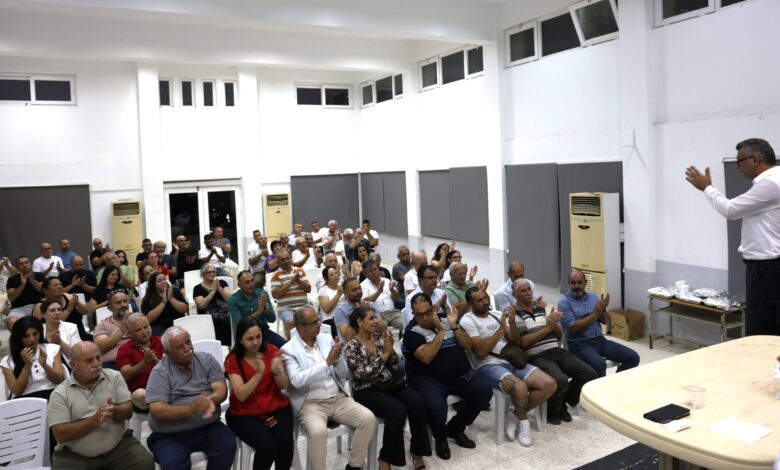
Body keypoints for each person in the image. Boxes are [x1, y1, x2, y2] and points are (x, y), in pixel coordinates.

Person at [685, 138, 780, 335]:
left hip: (767, 268)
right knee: (769, 324)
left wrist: (707, 188)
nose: (737, 167)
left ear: (756, 159)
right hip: (768, 266)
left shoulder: (771, 184)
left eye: (740, 161)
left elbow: (731, 209)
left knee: (761, 328)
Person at [281, 306, 375, 470]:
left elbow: (343, 374)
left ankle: (354, 466)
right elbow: (297, 380)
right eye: (314, 322)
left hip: (337, 398)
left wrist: (338, 360)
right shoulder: (289, 350)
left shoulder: (325, 339)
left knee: (368, 419)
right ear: (301, 327)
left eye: (318, 320)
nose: (319, 324)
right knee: (318, 432)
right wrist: (327, 363)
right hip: (310, 404)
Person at [460, 286, 556, 447]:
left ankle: (515, 414)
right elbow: (480, 352)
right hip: (487, 365)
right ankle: (524, 423)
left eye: (485, 297)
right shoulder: (468, 320)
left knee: (549, 384)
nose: (485, 302)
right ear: (470, 304)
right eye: (480, 300)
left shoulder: (496, 314)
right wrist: (500, 330)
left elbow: (515, 342)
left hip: (511, 360)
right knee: (519, 387)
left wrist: (511, 323)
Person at [401, 293, 492, 460]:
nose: (425, 318)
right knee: (437, 407)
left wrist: (454, 326)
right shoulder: (411, 332)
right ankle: (440, 437)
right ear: (413, 314)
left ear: (433, 309)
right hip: (428, 379)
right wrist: (442, 331)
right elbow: (426, 357)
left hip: (458, 375)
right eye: (419, 315)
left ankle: (455, 428)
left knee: (484, 391)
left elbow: (467, 344)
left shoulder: (447, 319)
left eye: (428, 312)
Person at [345, 305, 430, 470]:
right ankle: (385, 459)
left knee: (417, 401)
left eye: (376, 317)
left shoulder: (379, 338)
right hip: (366, 389)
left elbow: (395, 364)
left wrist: (390, 351)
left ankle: (417, 452)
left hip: (388, 385)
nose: (376, 321)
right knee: (397, 411)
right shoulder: (351, 346)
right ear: (360, 322)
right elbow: (361, 375)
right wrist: (384, 355)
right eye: (371, 318)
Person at [48, 341, 155, 470]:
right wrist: (93, 421)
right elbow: (60, 434)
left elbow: (128, 410)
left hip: (118, 448)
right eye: (89, 361)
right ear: (73, 365)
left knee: (144, 462)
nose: (96, 364)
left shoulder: (114, 376)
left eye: (98, 358)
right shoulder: (60, 394)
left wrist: (115, 410)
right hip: (75, 456)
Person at [145, 326, 236, 470]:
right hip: (169, 435)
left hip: (207, 427)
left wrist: (211, 400)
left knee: (227, 444)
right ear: (167, 353)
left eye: (188, 342)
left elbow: (221, 389)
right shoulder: (160, 372)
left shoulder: (206, 360)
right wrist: (191, 409)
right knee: (172, 463)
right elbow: (157, 410)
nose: (187, 348)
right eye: (180, 347)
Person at [511, 279, 597, 425]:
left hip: (556, 350)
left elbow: (557, 336)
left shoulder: (539, 308)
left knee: (589, 373)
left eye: (529, 289)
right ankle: (552, 412)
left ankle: (563, 402)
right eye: (523, 291)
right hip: (537, 356)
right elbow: (523, 342)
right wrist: (547, 328)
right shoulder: (515, 314)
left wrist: (554, 323)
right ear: (514, 294)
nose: (528, 293)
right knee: (560, 379)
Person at [225, 317, 294, 470]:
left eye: (258, 337)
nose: (255, 342)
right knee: (268, 446)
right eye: (250, 339)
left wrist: (277, 371)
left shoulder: (271, 350)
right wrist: (258, 374)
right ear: (240, 340)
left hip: (275, 407)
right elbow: (241, 395)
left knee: (285, 443)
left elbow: (283, 385)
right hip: (244, 413)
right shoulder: (233, 360)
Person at [559, 269, 640, 377]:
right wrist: (594, 315)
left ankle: (613, 384)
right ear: (569, 284)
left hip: (599, 340)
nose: (576, 286)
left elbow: (605, 321)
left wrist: (603, 309)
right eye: (573, 283)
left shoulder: (593, 297)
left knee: (633, 358)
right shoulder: (564, 303)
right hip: (579, 344)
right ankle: (599, 388)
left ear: (585, 283)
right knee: (599, 365)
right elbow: (573, 328)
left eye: (579, 282)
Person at [1, 315, 65, 399]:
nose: (32, 339)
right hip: (25, 399)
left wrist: (45, 365)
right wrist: (27, 366)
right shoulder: (7, 361)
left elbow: (59, 379)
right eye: (26, 336)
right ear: (19, 338)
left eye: (35, 334)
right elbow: (16, 391)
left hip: (52, 395)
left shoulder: (53, 349)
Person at [117, 313, 163, 410]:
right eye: (138, 330)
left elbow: (173, 367)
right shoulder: (124, 349)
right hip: (141, 390)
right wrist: (145, 362)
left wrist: (156, 362)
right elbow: (126, 375)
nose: (144, 332)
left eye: (146, 327)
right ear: (130, 333)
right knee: (140, 395)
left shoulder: (161, 341)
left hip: (164, 385)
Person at [228, 270, 286, 348]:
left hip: (263, 331)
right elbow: (240, 325)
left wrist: (265, 309)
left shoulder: (262, 294)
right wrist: (258, 312)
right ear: (239, 285)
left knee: (286, 347)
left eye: (252, 281)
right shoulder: (233, 300)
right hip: (247, 336)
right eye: (247, 282)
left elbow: (272, 319)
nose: (251, 284)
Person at [33, 276, 91, 341]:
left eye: (60, 284)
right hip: (54, 338)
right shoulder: (40, 306)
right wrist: (68, 309)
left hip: (79, 334)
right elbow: (38, 328)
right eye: (55, 285)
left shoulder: (69, 296)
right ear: (45, 290)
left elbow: (86, 311)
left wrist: (77, 303)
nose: (59, 287)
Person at [270, 251, 311, 338]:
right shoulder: (276, 275)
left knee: (312, 319)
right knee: (290, 322)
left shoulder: (300, 271)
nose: (286, 261)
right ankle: (290, 345)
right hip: (286, 308)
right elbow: (275, 295)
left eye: (287, 258)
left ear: (290, 259)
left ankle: (310, 341)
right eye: (283, 260)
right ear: (278, 262)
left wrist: (298, 281)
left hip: (303, 306)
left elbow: (308, 289)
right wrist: (291, 282)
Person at [360, 259, 404, 334]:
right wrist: (379, 291)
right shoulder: (363, 285)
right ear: (365, 274)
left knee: (405, 325)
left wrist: (392, 290)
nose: (374, 272)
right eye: (371, 271)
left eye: (375, 269)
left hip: (393, 313)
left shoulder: (386, 281)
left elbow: (397, 298)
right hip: (377, 316)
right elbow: (365, 301)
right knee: (381, 332)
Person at [193, 264, 232, 346]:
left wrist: (219, 288)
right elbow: (201, 305)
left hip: (225, 316)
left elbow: (229, 299)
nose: (212, 274)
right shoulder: (197, 288)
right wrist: (213, 291)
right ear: (203, 274)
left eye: (213, 272)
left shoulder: (222, 283)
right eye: (209, 272)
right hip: (208, 319)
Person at [94, 290, 133, 370]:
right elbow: (100, 347)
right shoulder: (103, 323)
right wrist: (121, 331)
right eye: (118, 302)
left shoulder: (137, 319)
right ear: (110, 308)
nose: (123, 305)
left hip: (135, 358)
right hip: (113, 363)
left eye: (125, 301)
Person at [140, 272, 187, 336]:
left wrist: (171, 299)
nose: (163, 282)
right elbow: (149, 318)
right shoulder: (148, 298)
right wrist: (163, 301)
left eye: (164, 279)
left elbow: (184, 310)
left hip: (177, 321)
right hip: (159, 325)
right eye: (159, 281)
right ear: (154, 285)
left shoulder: (174, 291)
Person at [5, 255, 45, 329]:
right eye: (21, 264)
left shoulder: (39, 275)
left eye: (26, 262)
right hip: (19, 309)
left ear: (30, 264)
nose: (24, 265)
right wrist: (22, 285)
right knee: (11, 321)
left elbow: (45, 292)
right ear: (17, 267)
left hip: (37, 306)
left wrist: (32, 280)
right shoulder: (12, 279)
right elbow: (11, 298)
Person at [317, 265, 344, 340]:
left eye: (336, 273)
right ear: (326, 279)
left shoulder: (341, 286)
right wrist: (338, 294)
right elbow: (327, 309)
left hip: (344, 316)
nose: (335, 276)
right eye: (332, 275)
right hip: (331, 320)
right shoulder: (323, 290)